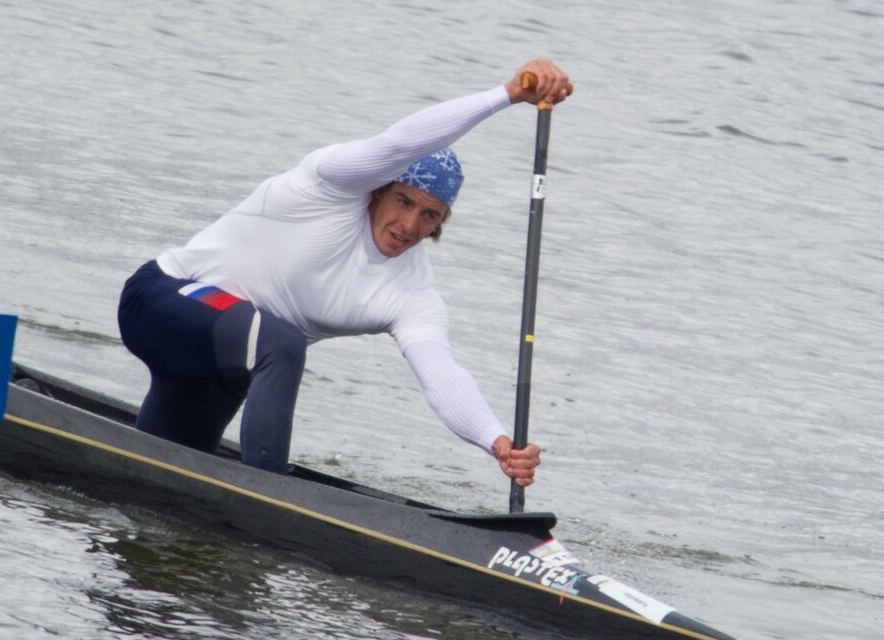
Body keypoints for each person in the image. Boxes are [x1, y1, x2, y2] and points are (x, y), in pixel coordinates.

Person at [117, 59, 572, 488]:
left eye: (431, 215)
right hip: (160, 300)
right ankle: (270, 499)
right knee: (282, 341)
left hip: (226, 365)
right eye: (404, 202)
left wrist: (497, 442)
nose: (410, 226)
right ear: (378, 191)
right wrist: (508, 94)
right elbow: (400, 144)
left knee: (154, 470)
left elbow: (441, 374)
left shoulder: (412, 292)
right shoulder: (329, 185)